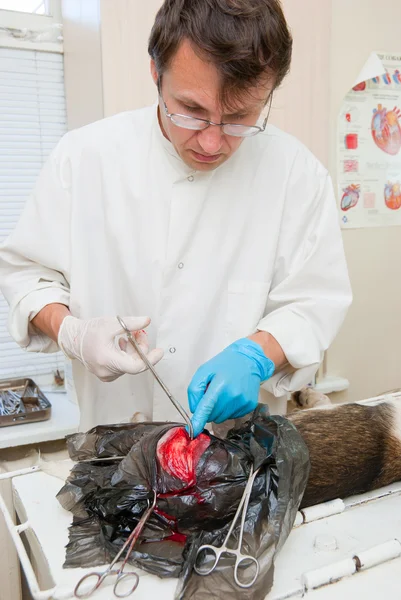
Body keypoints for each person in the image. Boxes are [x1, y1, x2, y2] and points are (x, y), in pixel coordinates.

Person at [0, 0, 352, 434]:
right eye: (192, 110)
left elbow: (314, 303)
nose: (211, 142)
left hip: (234, 466)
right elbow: (26, 276)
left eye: (240, 117)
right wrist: (72, 331)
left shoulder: (298, 176)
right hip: (110, 452)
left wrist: (257, 355)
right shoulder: (83, 158)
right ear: (156, 72)